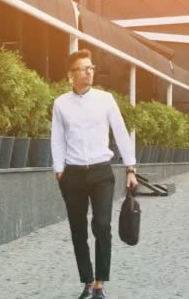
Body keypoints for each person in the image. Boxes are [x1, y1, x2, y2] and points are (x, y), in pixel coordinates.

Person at [51, 49, 138, 299]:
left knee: (101, 225)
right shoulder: (61, 104)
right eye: (83, 68)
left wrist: (130, 168)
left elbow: (121, 133)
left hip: (101, 172)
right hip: (73, 174)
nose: (89, 72)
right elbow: (57, 139)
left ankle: (100, 283)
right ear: (71, 75)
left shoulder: (105, 99)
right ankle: (87, 282)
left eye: (91, 67)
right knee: (78, 230)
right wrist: (59, 170)